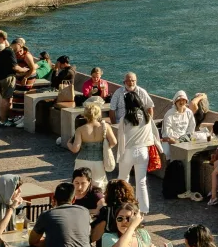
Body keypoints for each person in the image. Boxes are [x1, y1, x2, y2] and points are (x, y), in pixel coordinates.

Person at [29, 174, 99, 247]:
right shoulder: (84, 211)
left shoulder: (47, 215)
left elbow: (32, 241)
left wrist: (53, 241)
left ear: (54, 199)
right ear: (74, 199)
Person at [116, 75, 158, 212]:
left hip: (128, 151)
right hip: (143, 151)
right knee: (142, 182)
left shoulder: (125, 119)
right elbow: (153, 133)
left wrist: (120, 155)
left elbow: (121, 138)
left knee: (123, 179)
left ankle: (122, 205)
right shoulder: (146, 117)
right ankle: (144, 210)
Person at [67, 101, 120, 180]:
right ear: (99, 114)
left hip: (82, 161)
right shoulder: (105, 126)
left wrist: (68, 144)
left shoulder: (80, 129)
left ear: (85, 115)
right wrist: (104, 147)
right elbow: (114, 142)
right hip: (99, 162)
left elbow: (75, 149)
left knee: (82, 185)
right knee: (98, 186)